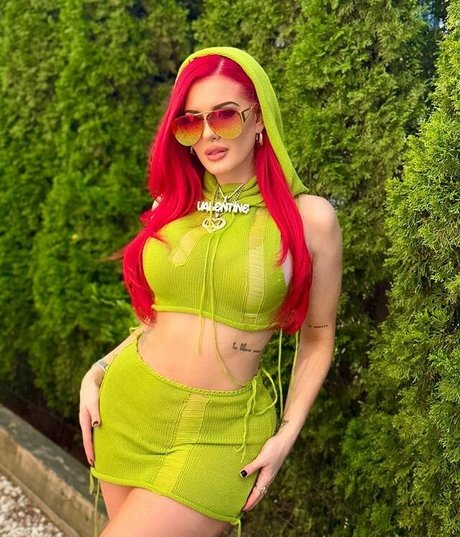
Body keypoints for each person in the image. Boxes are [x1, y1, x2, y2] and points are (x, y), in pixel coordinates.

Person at [79, 46, 342, 537]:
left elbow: (318, 337)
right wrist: (97, 371)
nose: (207, 135)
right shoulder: (174, 203)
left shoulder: (310, 219)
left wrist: (287, 434)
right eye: (190, 122)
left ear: (258, 117)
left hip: (220, 434)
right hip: (128, 410)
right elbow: (160, 319)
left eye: (223, 116)